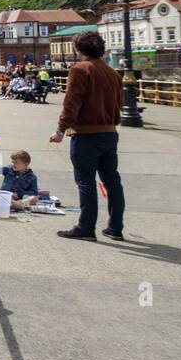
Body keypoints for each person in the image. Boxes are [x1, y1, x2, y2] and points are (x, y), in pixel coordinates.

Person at [50, 31, 125, 240]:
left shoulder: (80, 69)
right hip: (109, 133)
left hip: (86, 135)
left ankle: (86, 227)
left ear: (79, 49)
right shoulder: (113, 73)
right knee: (112, 181)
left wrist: (60, 131)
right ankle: (115, 227)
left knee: (86, 182)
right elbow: (119, 104)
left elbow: (72, 103)